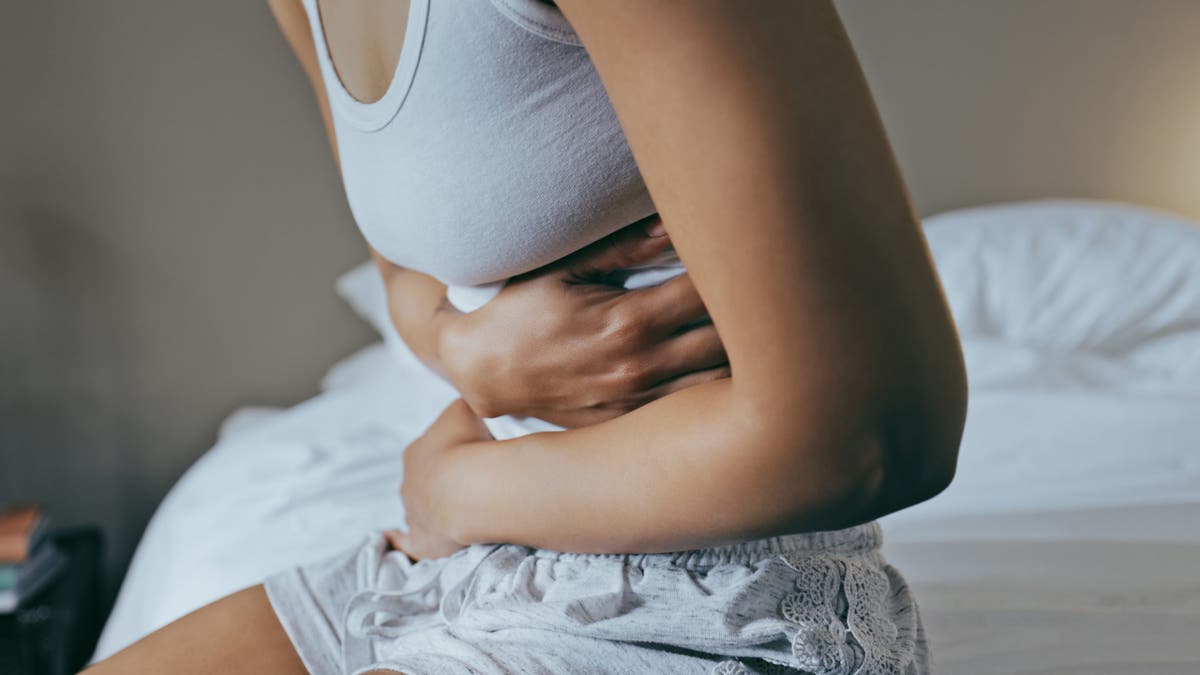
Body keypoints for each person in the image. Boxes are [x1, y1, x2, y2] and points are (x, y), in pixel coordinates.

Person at [86, 0, 967, 673]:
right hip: (479, 562)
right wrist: (465, 351)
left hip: (721, 589)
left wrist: (463, 488)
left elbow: (879, 435)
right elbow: (406, 271)